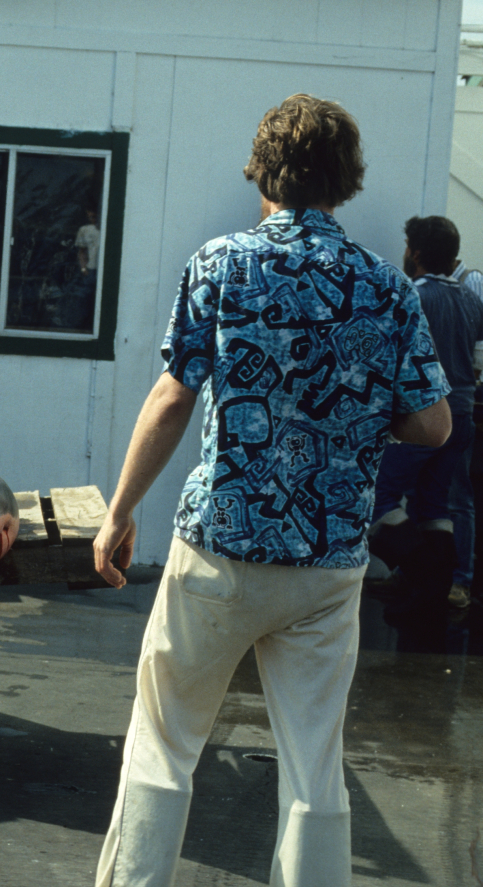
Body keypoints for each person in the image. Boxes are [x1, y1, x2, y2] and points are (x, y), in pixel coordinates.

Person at [92, 94, 451, 887]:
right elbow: (433, 426)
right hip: (327, 567)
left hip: (220, 547)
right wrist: (360, 414)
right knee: (314, 767)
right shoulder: (388, 289)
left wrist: (118, 514)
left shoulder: (222, 264)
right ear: (345, 180)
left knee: (163, 744)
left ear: (264, 174)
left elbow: (173, 397)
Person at [372, 216, 483, 608]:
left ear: (415, 253)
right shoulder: (470, 299)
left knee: (377, 494)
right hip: (463, 415)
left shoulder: (413, 294)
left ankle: (423, 571)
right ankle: (451, 583)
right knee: (440, 504)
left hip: (423, 416)